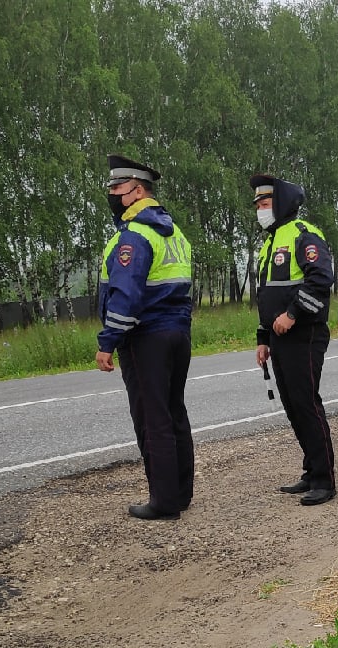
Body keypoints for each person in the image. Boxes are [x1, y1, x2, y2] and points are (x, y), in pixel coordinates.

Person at [95, 153, 195, 521]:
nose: (112, 194)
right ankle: (180, 493)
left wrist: (108, 341)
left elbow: (126, 295)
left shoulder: (133, 236)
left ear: (138, 191)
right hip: (177, 333)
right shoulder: (174, 232)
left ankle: (164, 502)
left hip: (145, 336)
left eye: (117, 188)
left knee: (153, 420)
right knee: (174, 413)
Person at [250, 173, 336, 506]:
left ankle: (325, 480)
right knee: (293, 407)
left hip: (304, 333)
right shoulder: (270, 242)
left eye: (265, 203)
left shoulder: (304, 235)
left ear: (282, 203)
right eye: (257, 204)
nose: (259, 209)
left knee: (306, 404)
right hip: (279, 338)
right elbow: (266, 296)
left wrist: (292, 314)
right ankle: (311, 471)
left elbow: (321, 280)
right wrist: (263, 337)